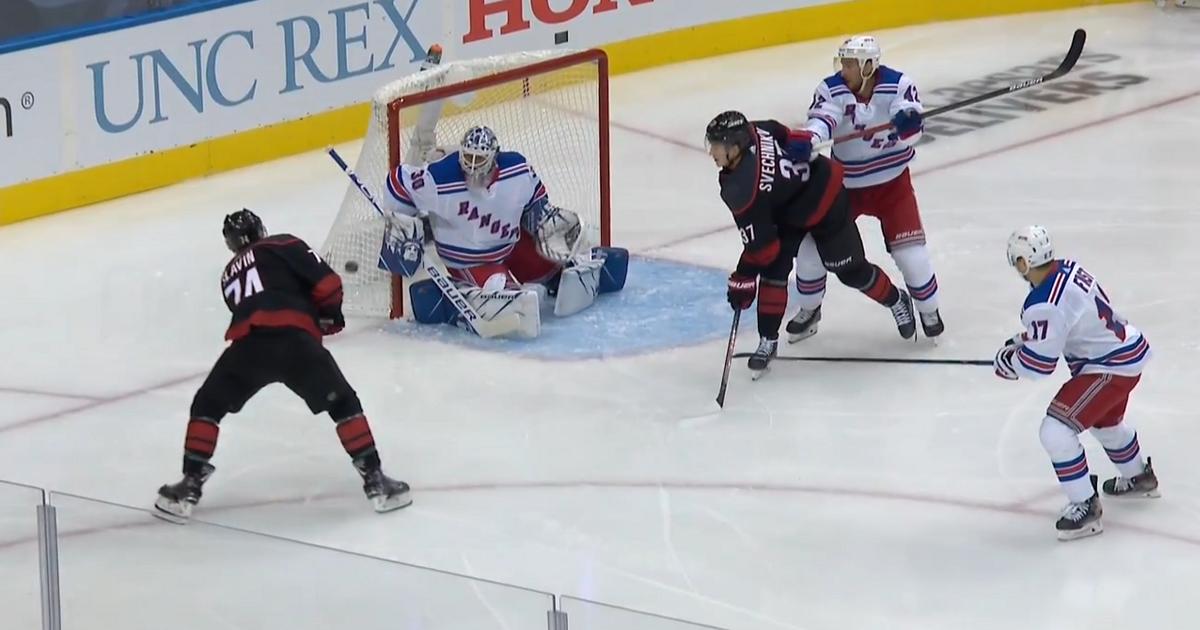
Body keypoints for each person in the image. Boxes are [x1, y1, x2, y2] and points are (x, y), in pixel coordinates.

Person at [154, 209, 411, 523]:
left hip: (248, 348)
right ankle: (376, 481)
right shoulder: (283, 243)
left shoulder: (228, 274)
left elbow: (254, 304)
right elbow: (328, 284)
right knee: (343, 404)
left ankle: (189, 485)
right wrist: (329, 317)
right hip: (295, 343)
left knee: (207, 405)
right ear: (260, 229)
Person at [706, 110, 914, 376]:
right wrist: (794, 138)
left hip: (824, 197)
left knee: (848, 269)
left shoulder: (739, 187)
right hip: (785, 209)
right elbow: (778, 129)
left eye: (717, 145)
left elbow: (762, 249)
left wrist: (743, 277)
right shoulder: (754, 130)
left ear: (736, 146)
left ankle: (897, 300)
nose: (712, 152)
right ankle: (768, 341)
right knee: (774, 271)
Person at [378, 125, 627, 338]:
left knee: (552, 268)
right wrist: (403, 222)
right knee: (505, 295)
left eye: (479, 160)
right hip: (471, 259)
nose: (472, 167)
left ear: (494, 158)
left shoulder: (517, 169)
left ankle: (557, 277)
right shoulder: (439, 177)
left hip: (510, 244)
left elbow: (535, 203)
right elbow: (397, 182)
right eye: (468, 158)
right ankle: (453, 305)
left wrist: (545, 222)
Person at [994, 226, 1157, 541]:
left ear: (1024, 263)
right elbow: (1067, 320)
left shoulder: (1042, 303)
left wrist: (1009, 363)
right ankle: (1139, 477)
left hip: (1108, 367)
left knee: (1055, 431)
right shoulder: (1069, 269)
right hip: (1126, 352)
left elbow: (1039, 364)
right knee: (1105, 424)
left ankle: (1085, 506)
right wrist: (1027, 339)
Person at [786, 35, 943, 343]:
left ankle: (929, 310)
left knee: (912, 257)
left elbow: (911, 127)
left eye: (850, 64)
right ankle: (810, 309)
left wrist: (909, 124)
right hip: (844, 188)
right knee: (810, 251)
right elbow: (823, 120)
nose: (844, 70)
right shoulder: (831, 89)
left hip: (893, 186)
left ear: (869, 66)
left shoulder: (897, 84)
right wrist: (810, 138)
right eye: (843, 63)